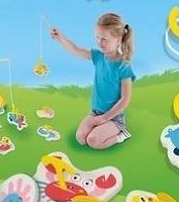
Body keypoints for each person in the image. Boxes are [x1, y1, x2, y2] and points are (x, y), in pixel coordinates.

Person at [51, 13, 135, 149]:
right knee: (81, 138)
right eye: (97, 37)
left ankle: (121, 135)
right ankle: (101, 128)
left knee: (93, 141)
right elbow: (76, 50)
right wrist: (60, 38)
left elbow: (125, 99)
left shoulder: (123, 66)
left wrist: (105, 118)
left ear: (119, 39)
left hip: (114, 117)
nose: (99, 42)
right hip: (96, 113)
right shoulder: (98, 57)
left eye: (104, 39)